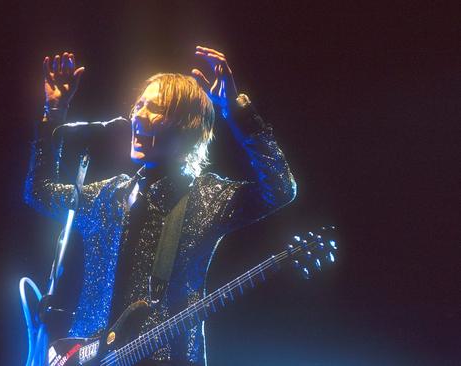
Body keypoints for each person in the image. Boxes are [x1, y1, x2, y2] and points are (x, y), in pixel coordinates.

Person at [25, 46, 296, 366]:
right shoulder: (107, 195)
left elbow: (280, 189)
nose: (137, 115)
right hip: (84, 356)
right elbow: (39, 192)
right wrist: (53, 114)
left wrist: (237, 112)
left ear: (186, 126)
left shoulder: (206, 197)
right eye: (138, 105)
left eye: (154, 109)